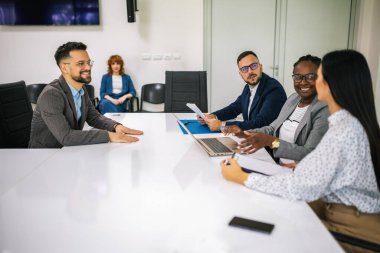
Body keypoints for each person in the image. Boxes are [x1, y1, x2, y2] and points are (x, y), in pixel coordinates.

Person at [221, 49, 380, 252]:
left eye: (316, 76)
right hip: (333, 203)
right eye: (298, 76)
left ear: (330, 84)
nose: (306, 82)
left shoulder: (342, 129)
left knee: (274, 233)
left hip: (350, 222)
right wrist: (246, 133)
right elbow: (318, 168)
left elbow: (299, 185)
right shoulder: (345, 122)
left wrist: (241, 177)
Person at [29, 42, 143, 148]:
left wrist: (116, 127)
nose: (88, 67)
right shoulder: (51, 95)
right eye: (80, 63)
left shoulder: (81, 88)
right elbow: (66, 137)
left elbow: (94, 117)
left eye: (89, 62)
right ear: (64, 68)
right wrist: (108, 136)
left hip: (69, 151)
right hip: (46, 155)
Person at [226, 55, 329, 167]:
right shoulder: (293, 99)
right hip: (278, 165)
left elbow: (309, 153)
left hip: (299, 173)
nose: (303, 82)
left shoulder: (323, 109)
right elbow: (272, 129)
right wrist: (244, 133)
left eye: (310, 76)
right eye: (297, 77)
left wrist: (271, 142)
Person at [198, 51, 287, 131]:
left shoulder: (274, 89)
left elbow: (260, 123)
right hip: (250, 138)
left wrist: (222, 125)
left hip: (266, 145)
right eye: (244, 69)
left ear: (261, 67)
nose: (250, 72)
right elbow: (234, 108)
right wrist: (213, 116)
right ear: (241, 74)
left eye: (253, 66)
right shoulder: (248, 87)